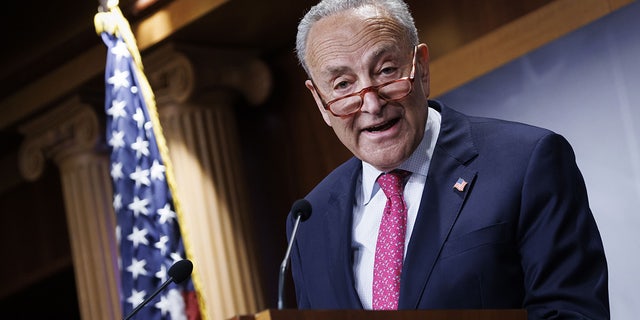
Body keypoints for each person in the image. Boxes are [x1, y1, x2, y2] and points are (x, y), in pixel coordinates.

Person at [286, 0, 609, 318]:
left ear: (421, 67)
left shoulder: (526, 162)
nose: (371, 104)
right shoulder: (309, 220)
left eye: (386, 71)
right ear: (319, 100)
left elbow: (572, 313)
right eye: (343, 85)